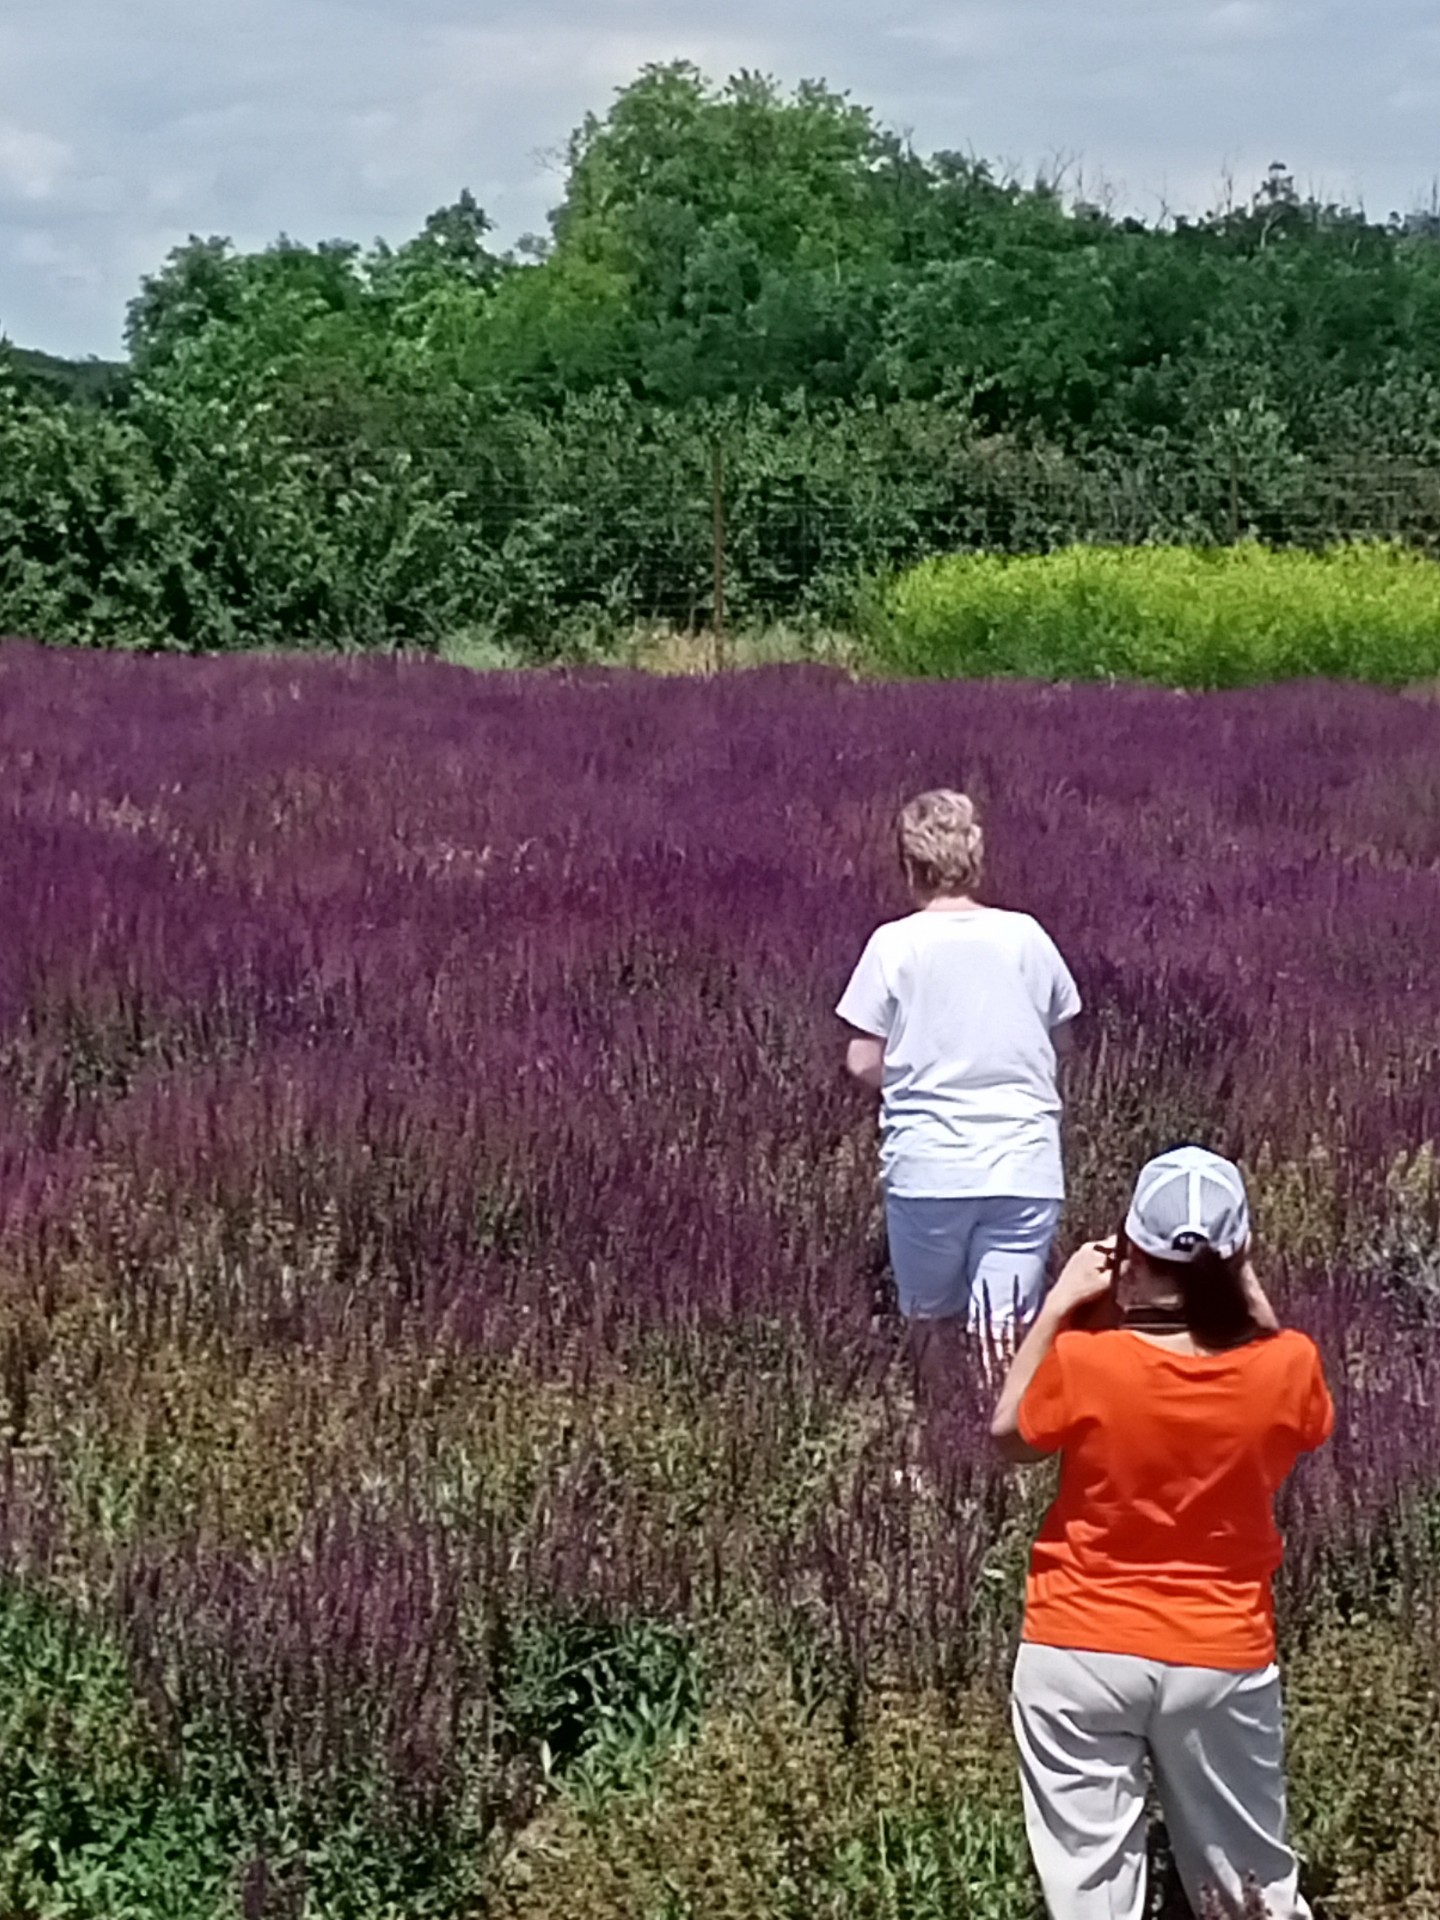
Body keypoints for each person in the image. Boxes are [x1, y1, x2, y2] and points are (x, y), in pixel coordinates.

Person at [990, 1146, 1334, 1920]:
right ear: (1238, 1253)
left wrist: (1058, 1304)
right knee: (1251, 1883)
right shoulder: (1287, 1367)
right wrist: (1238, 1279)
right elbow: (1302, 1410)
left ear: (1129, 1254)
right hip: (1218, 1649)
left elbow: (1010, 1434)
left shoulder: (1087, 1361)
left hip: (1077, 1642)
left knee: (1089, 1888)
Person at [837, 789, 1081, 1351]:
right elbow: (1061, 1037)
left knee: (930, 1327)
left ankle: (938, 1428)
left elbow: (861, 1058)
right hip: (1023, 1162)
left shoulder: (892, 945)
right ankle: (997, 1431)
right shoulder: (1027, 936)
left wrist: (917, 1080)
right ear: (976, 855)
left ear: (908, 863)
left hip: (930, 1166)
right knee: (1003, 1335)